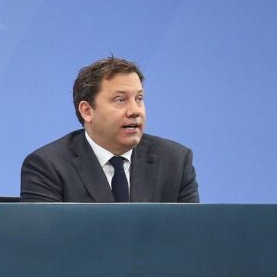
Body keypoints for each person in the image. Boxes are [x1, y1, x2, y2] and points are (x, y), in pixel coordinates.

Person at [20, 56, 198, 202]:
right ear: (87, 111)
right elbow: (43, 243)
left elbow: (192, 238)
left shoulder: (175, 161)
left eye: (139, 98)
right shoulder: (48, 166)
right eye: (120, 100)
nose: (135, 111)